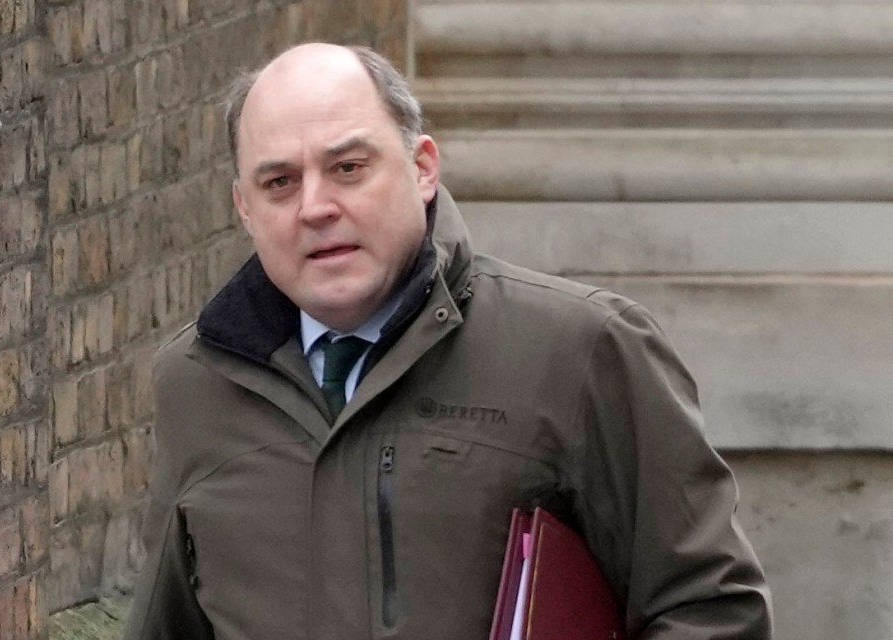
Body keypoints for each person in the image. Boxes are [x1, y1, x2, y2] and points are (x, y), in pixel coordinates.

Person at [123, 42, 773, 640]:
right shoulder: (195, 385)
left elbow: (711, 610)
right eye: (279, 183)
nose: (314, 206)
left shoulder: (581, 350)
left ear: (422, 167)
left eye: (347, 167)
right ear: (244, 208)